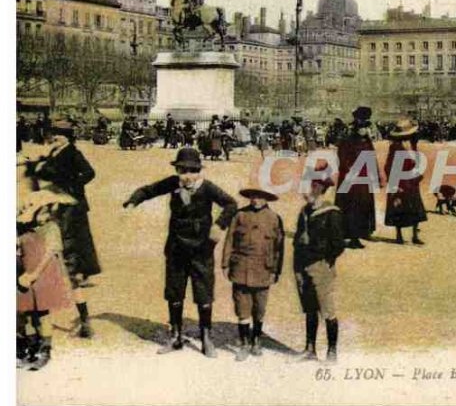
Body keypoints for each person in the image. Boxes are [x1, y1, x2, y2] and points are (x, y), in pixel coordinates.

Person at [123, 147, 237, 358]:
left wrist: (219, 225)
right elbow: (149, 190)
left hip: (201, 249)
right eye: (182, 171)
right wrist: (133, 200)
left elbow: (231, 204)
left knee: (203, 292)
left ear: (199, 172)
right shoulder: (173, 184)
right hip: (176, 247)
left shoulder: (208, 188)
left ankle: (206, 338)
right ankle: (175, 336)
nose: (186, 176)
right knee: (174, 292)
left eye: (191, 171)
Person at [34, 121, 101, 338]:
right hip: (57, 204)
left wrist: (72, 184)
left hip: (71, 206)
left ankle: (84, 319)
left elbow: (90, 173)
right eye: (54, 134)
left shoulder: (73, 153)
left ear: (67, 137)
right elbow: (46, 173)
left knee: (71, 250)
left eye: (59, 135)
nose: (55, 137)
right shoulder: (55, 152)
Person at [17, 188, 76, 371]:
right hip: (26, 274)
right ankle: (31, 346)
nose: (41, 216)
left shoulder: (51, 228)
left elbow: (50, 254)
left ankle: (45, 350)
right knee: (28, 312)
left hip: (43, 274)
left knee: (42, 313)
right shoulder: (25, 228)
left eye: (43, 212)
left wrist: (34, 274)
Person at [222, 188, 284, 361]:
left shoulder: (274, 218)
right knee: (242, 308)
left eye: (260, 197)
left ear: (266, 199)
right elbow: (229, 240)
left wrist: (276, 270)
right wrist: (225, 263)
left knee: (259, 308)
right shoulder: (240, 215)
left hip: (263, 269)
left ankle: (256, 340)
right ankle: (244, 344)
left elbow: (279, 248)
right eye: (253, 197)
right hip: (240, 268)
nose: (256, 200)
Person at [294, 162, 346, 362]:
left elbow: (338, 245)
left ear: (318, 188)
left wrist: (323, 259)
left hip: (321, 266)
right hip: (302, 266)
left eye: (309, 186)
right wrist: (298, 266)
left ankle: (332, 352)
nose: (305, 190)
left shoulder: (332, 212)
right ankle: (310, 349)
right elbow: (298, 240)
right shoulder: (304, 212)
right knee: (309, 309)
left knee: (327, 310)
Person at [335, 107, 379, 249]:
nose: (366, 130)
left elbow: (371, 156)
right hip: (352, 178)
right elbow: (341, 154)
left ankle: (364, 231)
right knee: (352, 206)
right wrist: (348, 170)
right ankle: (353, 236)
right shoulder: (348, 135)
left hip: (365, 177)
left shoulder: (365, 139)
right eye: (364, 126)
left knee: (365, 203)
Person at [384, 119, 427, 245]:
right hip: (400, 182)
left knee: (415, 208)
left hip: (412, 181)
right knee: (399, 208)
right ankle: (399, 235)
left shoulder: (412, 145)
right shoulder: (395, 147)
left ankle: (414, 235)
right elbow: (389, 166)